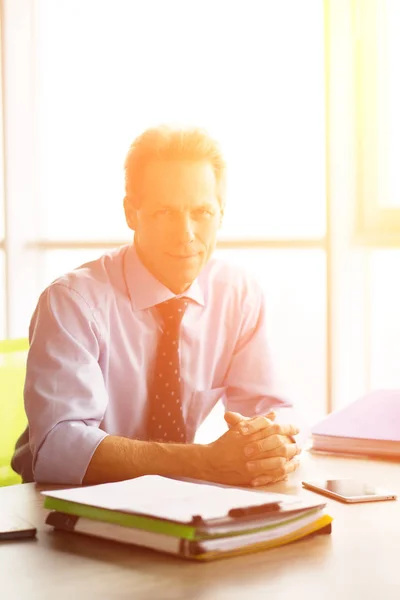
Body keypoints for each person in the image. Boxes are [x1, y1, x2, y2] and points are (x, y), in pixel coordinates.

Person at [12, 125, 302, 486]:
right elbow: (58, 450)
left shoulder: (237, 295)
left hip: (176, 506)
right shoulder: (72, 302)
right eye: (166, 212)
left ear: (222, 214)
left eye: (202, 213)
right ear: (131, 213)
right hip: (69, 503)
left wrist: (270, 447)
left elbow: (269, 411)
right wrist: (206, 462)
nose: (186, 234)